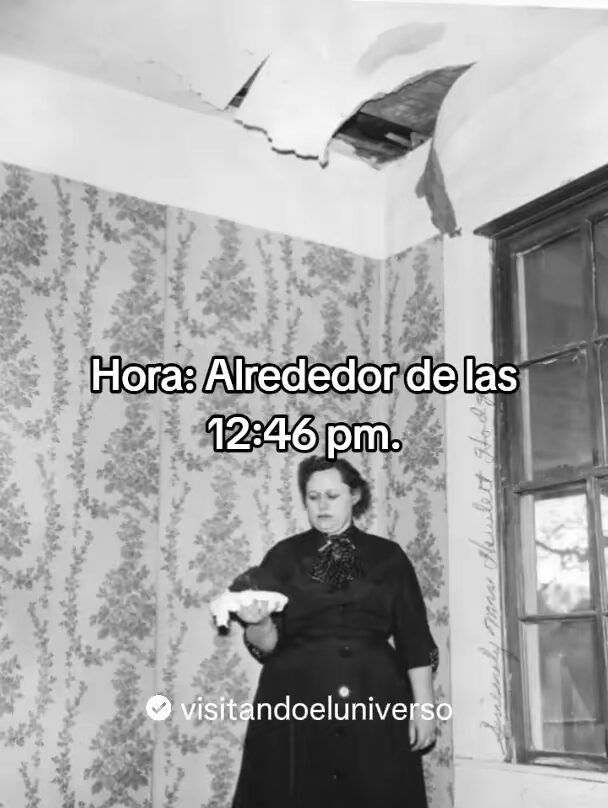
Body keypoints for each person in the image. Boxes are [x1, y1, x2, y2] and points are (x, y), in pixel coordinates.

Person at [229, 456, 439, 808]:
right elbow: (266, 646)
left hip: (375, 698)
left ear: (354, 496)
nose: (322, 505)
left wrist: (425, 708)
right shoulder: (283, 557)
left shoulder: (389, 557)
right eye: (313, 497)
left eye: (332, 496)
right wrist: (257, 622)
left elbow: (414, 637)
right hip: (294, 702)